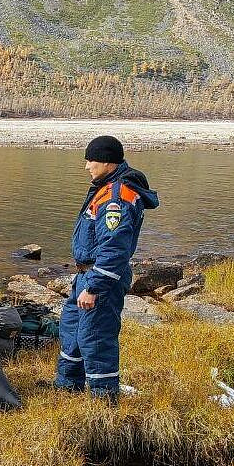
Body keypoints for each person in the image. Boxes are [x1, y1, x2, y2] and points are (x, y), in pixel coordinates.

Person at [55, 136, 159, 404]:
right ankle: (68, 386)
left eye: (90, 160)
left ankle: (103, 400)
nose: (86, 166)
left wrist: (94, 287)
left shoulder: (117, 197)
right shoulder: (105, 188)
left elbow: (115, 249)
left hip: (99, 278)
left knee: (96, 337)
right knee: (72, 329)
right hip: (85, 275)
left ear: (106, 161)